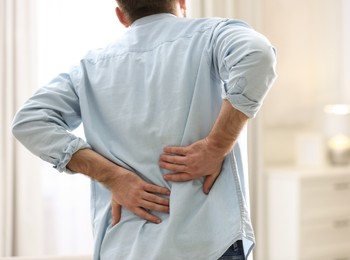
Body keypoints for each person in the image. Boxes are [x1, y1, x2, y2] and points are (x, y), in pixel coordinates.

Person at [12, 0, 276, 259]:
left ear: (121, 16)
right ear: (182, 3)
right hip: (209, 243)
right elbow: (258, 54)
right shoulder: (213, 36)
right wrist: (217, 145)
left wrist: (111, 176)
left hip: (125, 247)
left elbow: (30, 121)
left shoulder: (89, 69)